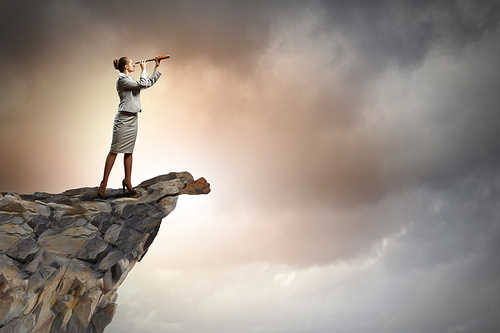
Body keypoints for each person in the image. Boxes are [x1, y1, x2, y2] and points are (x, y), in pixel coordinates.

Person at [97, 56, 162, 197]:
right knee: (114, 150)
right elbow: (143, 83)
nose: (134, 65)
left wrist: (156, 67)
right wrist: (144, 69)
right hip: (123, 119)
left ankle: (127, 181)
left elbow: (147, 83)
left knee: (129, 151)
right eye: (132, 64)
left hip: (133, 119)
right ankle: (104, 183)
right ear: (126, 67)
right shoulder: (122, 79)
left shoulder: (130, 80)